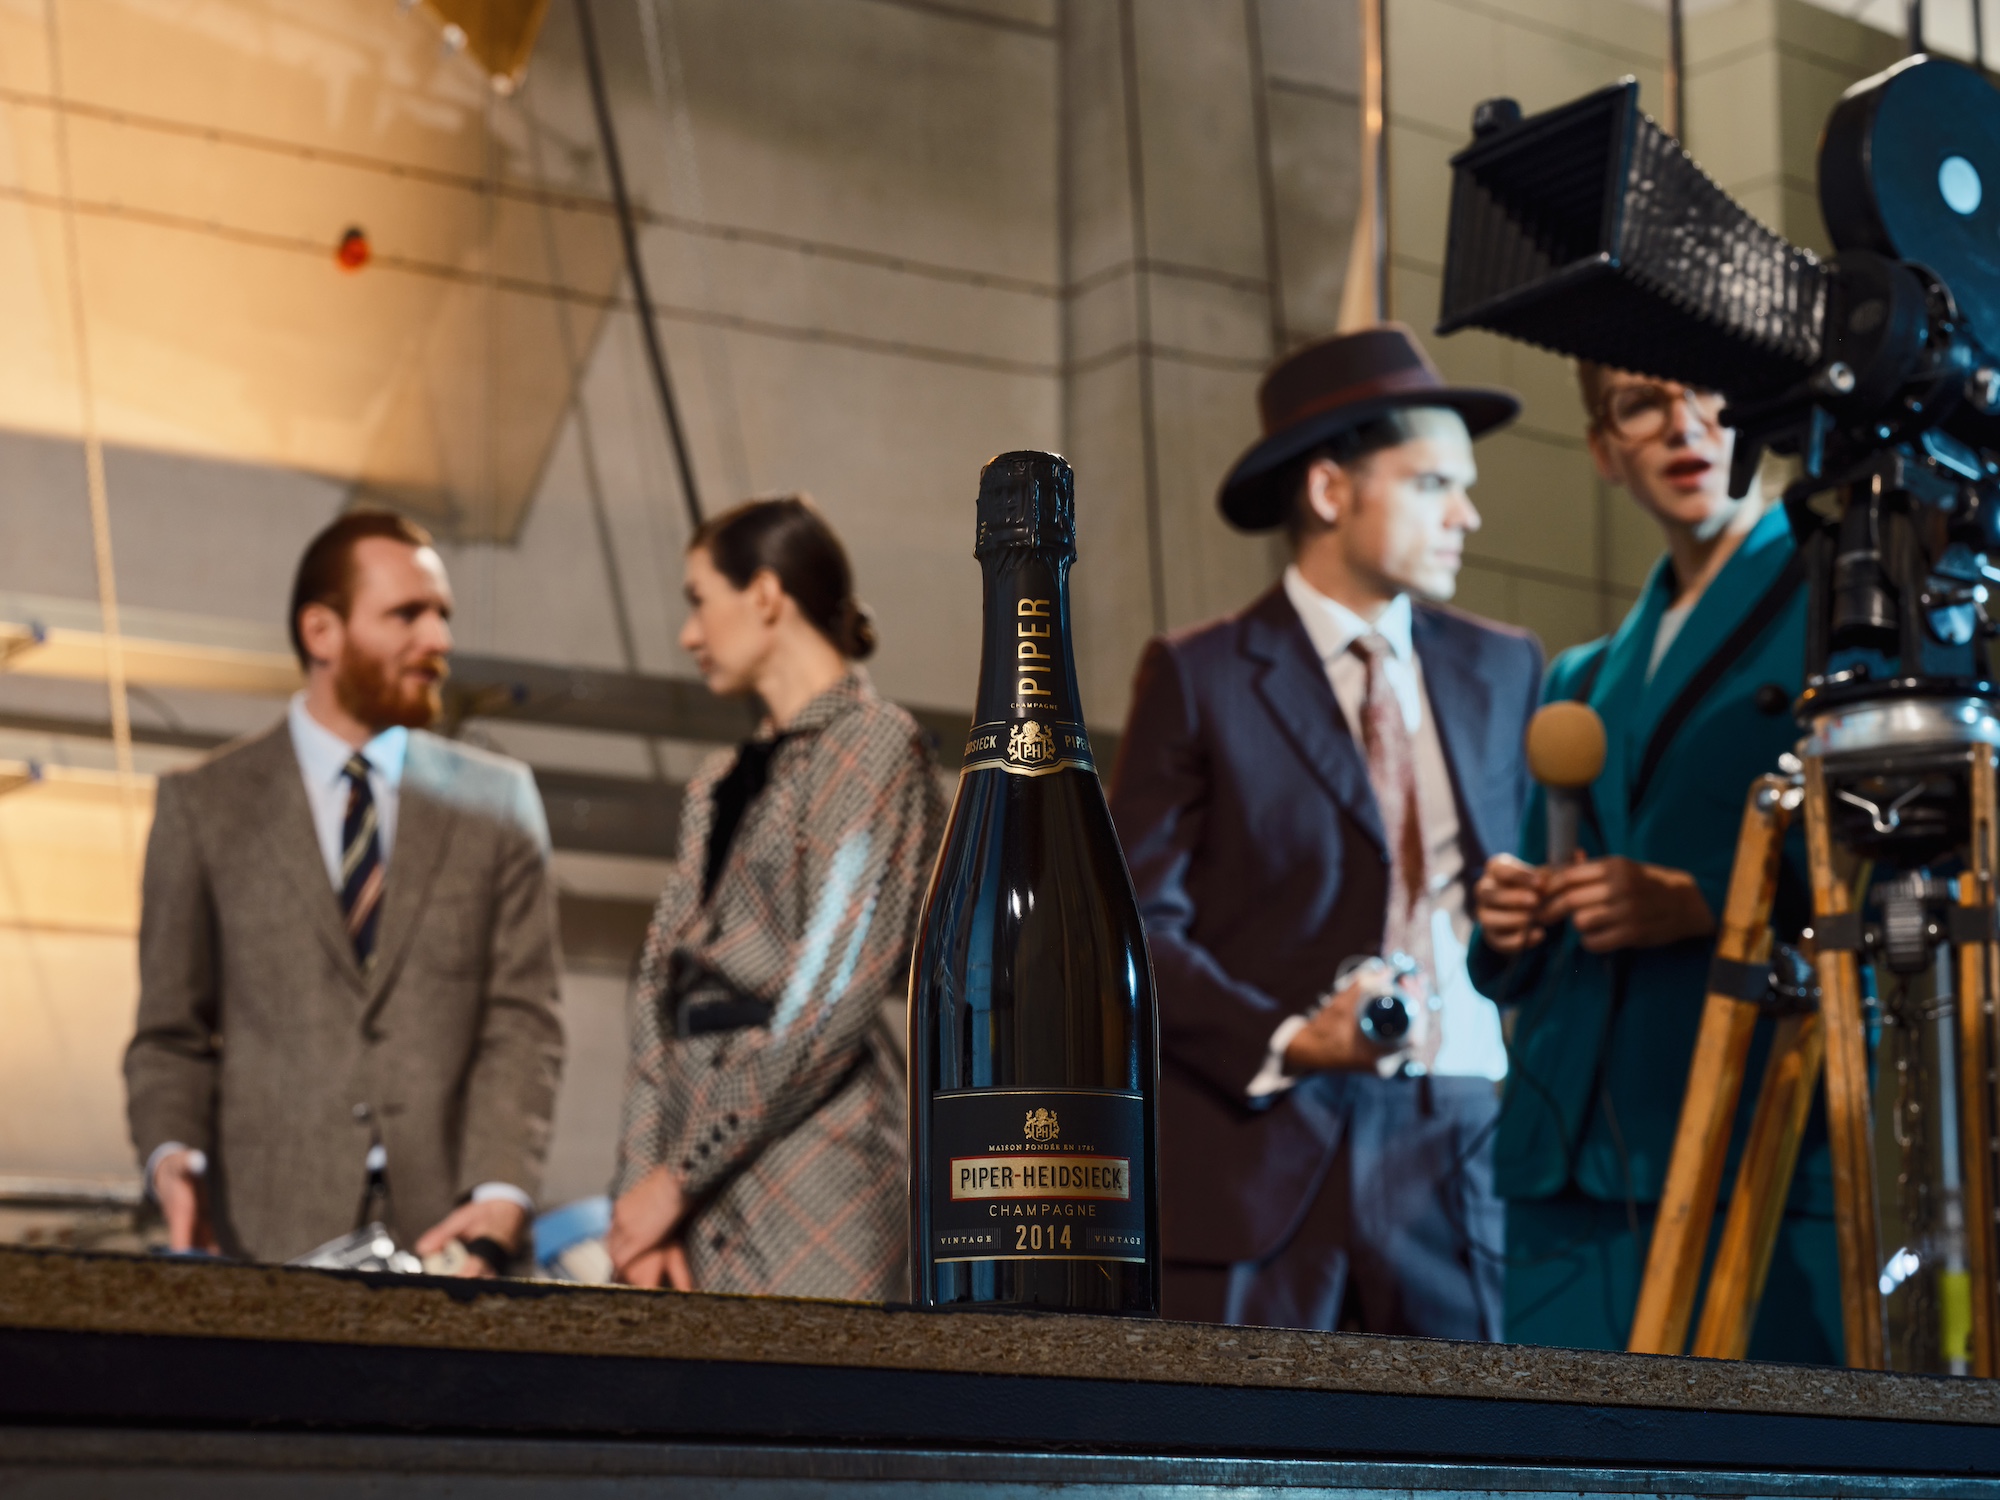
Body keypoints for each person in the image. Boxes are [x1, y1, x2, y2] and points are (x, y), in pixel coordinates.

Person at [1109, 325, 1541, 1335]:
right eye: (1432, 484)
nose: (1467, 516)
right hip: (1261, 1134)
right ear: (1329, 490)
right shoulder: (1200, 675)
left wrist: (1528, 916)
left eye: (1464, 487)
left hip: (1460, 1134)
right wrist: (1292, 1036)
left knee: (1466, 1434)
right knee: (1245, 1435)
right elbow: (1133, 930)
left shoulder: (1504, 667)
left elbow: (1525, 896)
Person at [1470, 364, 1841, 1362]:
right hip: (1561, 1161)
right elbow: (1524, 934)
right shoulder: (1580, 675)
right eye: (1640, 404)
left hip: (1740, 1138)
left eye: (1707, 389)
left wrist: (1708, 905)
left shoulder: (1840, 610)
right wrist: (1509, 920)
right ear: (1602, 450)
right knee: (1553, 1444)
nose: (1684, 425)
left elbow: (1899, 875)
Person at [125, 511, 564, 1272]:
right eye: (407, 614)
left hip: (457, 1245)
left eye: (443, 615)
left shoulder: (499, 804)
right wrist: (173, 1159)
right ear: (321, 631)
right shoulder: (204, 807)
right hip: (262, 1242)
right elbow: (171, 1034)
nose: (439, 639)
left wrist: (500, 1195)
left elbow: (524, 1022)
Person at [606, 496, 946, 1299]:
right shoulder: (717, 783)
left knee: (817, 1378)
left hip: (815, 1165)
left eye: (699, 600)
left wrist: (676, 1180)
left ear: (764, 594)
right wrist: (640, 1195)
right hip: (691, 1178)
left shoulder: (874, 743)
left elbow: (831, 992)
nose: (689, 635)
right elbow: (656, 988)